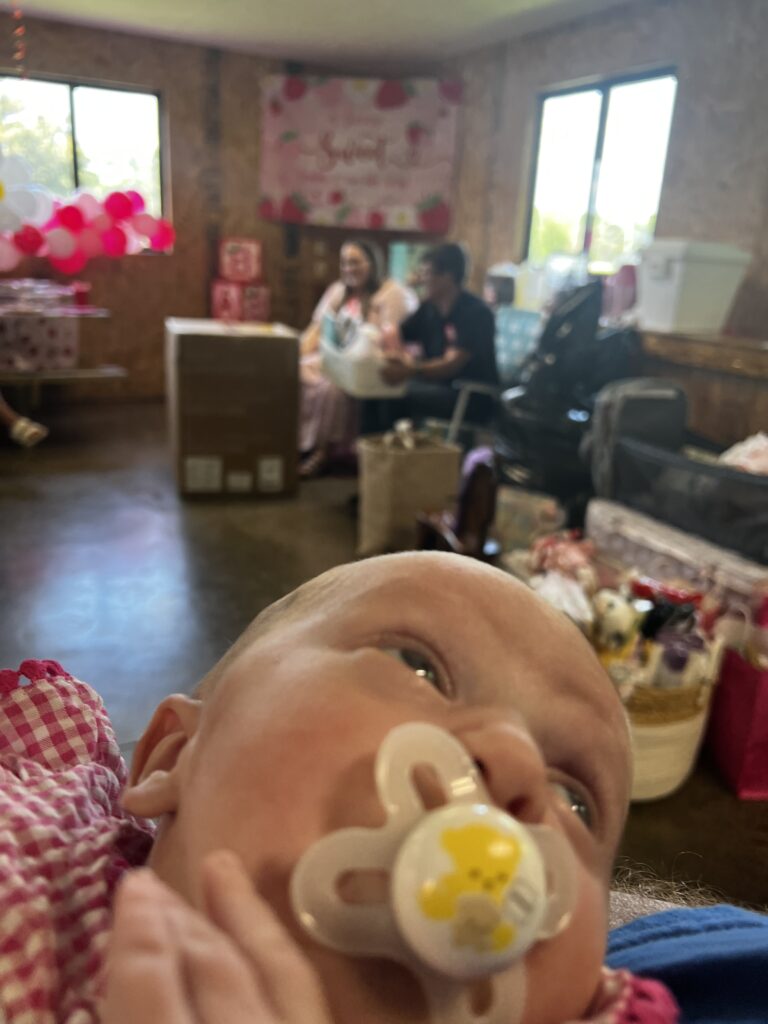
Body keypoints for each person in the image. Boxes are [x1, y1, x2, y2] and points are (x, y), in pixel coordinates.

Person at [6, 550, 728, 1024]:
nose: (514, 764)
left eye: (578, 800)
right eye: (417, 665)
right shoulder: (27, 880)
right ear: (172, 755)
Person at [299, 241, 416, 478]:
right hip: (334, 359)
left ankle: (322, 452)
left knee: (332, 389)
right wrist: (296, 352)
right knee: (298, 371)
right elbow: (317, 327)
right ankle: (301, 444)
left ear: (372, 264)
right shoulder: (338, 291)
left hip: (367, 364)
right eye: (344, 263)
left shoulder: (391, 294)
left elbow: (387, 339)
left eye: (355, 262)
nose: (348, 269)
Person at [363, 243, 498, 434]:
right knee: (374, 388)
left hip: (468, 396)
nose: (421, 280)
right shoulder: (429, 309)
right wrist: (387, 350)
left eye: (427, 273)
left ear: (447, 276)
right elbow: (398, 331)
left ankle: (392, 456)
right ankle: (370, 457)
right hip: (435, 386)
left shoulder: (476, 314)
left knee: (396, 396)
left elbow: (451, 365)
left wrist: (410, 369)